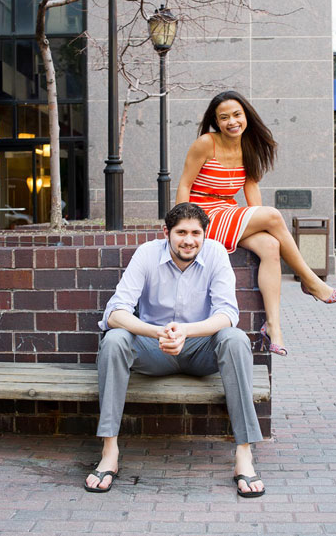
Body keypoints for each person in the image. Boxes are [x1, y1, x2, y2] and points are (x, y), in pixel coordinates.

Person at [85, 203, 265, 497]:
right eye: (181, 232)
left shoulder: (216, 253)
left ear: (204, 234)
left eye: (196, 233)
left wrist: (185, 331)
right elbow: (115, 312)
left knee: (235, 338)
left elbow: (227, 314)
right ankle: (109, 451)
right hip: (154, 347)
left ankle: (244, 454)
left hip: (200, 350)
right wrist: (157, 332)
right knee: (115, 339)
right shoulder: (147, 253)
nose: (189, 240)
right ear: (166, 232)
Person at [175, 90, 336, 356]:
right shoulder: (206, 143)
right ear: (216, 122)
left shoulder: (249, 147)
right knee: (274, 216)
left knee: (269, 245)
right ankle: (310, 280)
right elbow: (185, 183)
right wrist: (182, 226)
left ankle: (273, 328)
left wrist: (258, 222)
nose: (232, 121)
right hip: (202, 214)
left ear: (246, 116)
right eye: (224, 117)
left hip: (228, 212)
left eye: (237, 115)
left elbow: (251, 189)